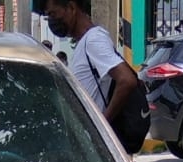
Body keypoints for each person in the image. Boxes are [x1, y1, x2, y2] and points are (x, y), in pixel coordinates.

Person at [42, 0, 143, 133]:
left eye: (53, 14)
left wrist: (101, 126)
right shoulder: (84, 43)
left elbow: (127, 80)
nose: (51, 21)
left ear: (72, 7)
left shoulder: (94, 39)